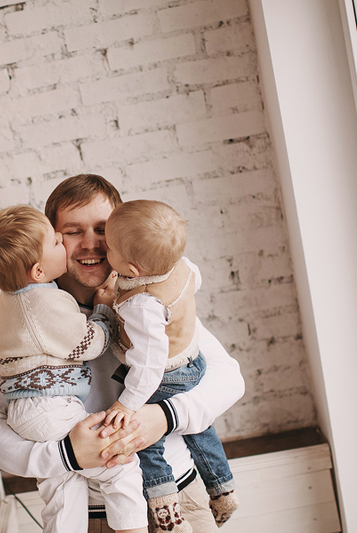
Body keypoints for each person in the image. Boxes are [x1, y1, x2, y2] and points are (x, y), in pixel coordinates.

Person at [0, 174, 245, 533]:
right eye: (72, 231)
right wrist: (65, 456)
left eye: (103, 229)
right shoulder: (24, 326)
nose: (91, 244)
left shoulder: (150, 301)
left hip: (180, 496)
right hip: (94, 515)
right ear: (51, 240)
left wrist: (163, 417)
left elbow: (228, 378)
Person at [0, 205, 148, 533]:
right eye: (59, 239)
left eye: (102, 229)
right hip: (49, 407)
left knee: (63, 491)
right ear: (39, 271)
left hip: (29, 409)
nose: (63, 243)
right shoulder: (44, 302)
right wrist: (102, 311)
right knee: (119, 465)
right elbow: (88, 344)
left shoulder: (15, 298)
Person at [103, 200, 238, 531]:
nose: (103, 249)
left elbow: (149, 365)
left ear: (132, 269)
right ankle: (223, 487)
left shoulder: (141, 305)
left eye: (108, 247)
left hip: (165, 375)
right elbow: (194, 284)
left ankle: (166, 510)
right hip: (192, 361)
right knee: (200, 428)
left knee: (144, 441)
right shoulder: (183, 267)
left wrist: (128, 404)